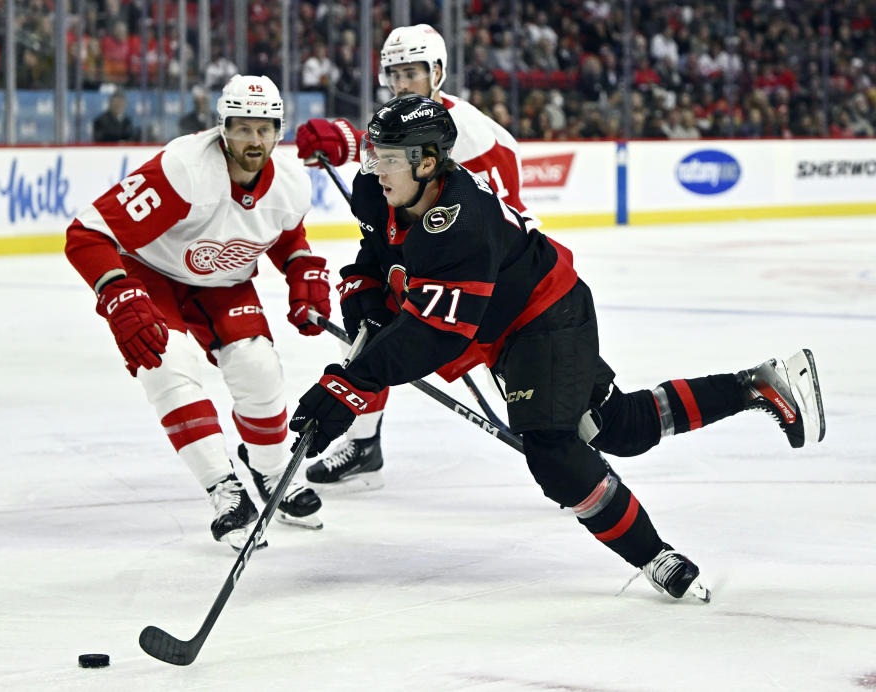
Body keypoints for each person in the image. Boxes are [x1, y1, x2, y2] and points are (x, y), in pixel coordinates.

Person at [289, 95, 825, 601]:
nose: (375, 168)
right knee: (616, 427)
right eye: (375, 155)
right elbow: (376, 251)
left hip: (545, 312)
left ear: (427, 162)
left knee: (551, 449)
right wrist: (364, 292)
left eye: (388, 158)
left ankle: (653, 554)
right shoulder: (375, 189)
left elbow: (435, 335)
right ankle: (755, 386)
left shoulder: (460, 223)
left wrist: (351, 385)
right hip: (506, 327)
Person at [65, 75, 332, 548]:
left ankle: (272, 474)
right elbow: (87, 235)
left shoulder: (290, 182)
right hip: (151, 271)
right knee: (165, 364)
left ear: (279, 130)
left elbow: (284, 233)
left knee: (258, 365)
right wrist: (117, 294)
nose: (254, 140)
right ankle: (225, 490)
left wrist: (301, 270)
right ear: (223, 126)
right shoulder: (184, 168)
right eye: (243, 127)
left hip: (222, 280)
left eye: (265, 128)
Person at [295, 24, 533, 489]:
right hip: (420, 265)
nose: (402, 83)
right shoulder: (408, 117)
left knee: (513, 369)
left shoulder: (477, 137)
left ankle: (566, 439)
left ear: (438, 72)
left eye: (412, 72)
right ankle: (364, 445)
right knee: (364, 330)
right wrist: (340, 138)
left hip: (483, 277)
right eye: (394, 73)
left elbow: (503, 223)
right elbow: (378, 147)